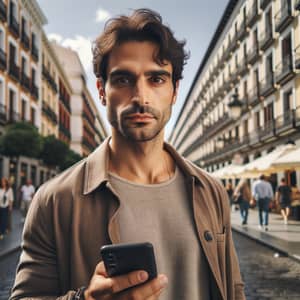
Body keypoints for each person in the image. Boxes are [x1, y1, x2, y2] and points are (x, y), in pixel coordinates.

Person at [11, 9, 245, 300]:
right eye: (123, 80)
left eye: (157, 79)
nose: (141, 97)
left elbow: (234, 290)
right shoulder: (54, 201)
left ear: (174, 91)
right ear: (101, 90)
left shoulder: (210, 192)